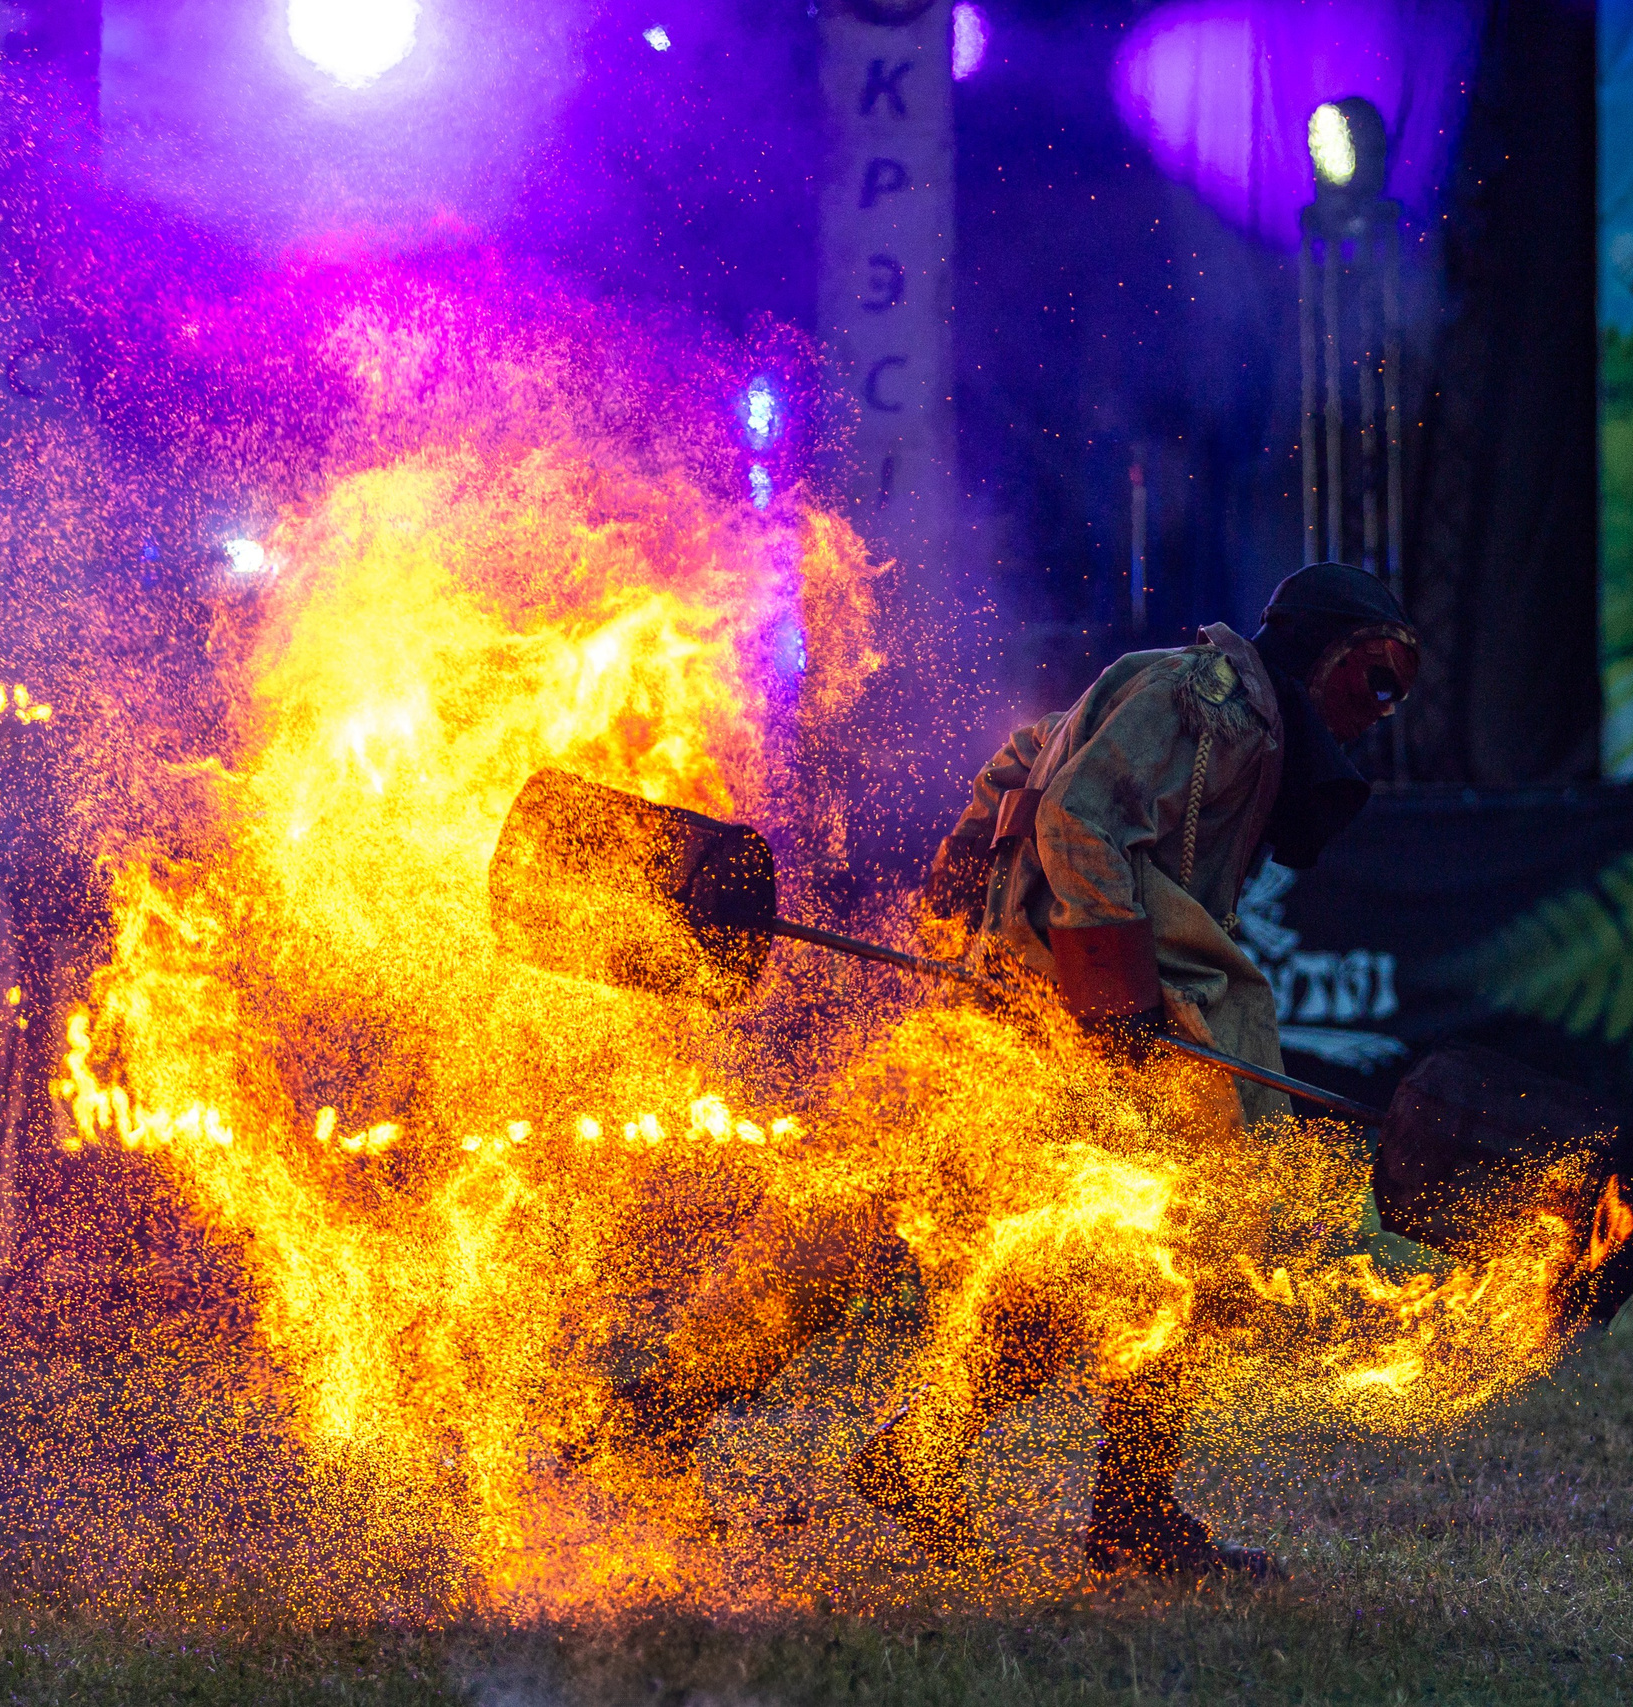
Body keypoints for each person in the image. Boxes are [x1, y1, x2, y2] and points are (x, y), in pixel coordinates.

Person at [578, 563, 1419, 1576]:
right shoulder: (1217, 704)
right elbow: (1076, 817)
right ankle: (1107, 1510)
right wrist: (1112, 988)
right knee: (1178, 1237)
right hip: (1060, 1028)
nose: (1380, 708)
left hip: (1012, 1010)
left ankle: (701, 1420)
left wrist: (964, 879)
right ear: (1323, 653)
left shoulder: (1191, 696)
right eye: (1376, 677)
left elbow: (1029, 758)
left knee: (925, 1233)